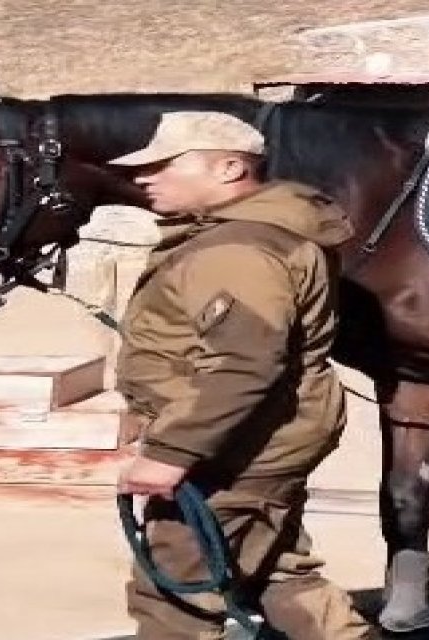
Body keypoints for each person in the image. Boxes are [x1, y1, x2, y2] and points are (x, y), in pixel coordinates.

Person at [109, 110, 374, 639]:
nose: (144, 177)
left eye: (163, 166)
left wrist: (171, 453)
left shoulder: (238, 250)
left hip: (237, 450)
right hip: (251, 440)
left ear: (229, 168)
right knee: (275, 570)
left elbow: (243, 363)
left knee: (175, 598)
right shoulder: (240, 236)